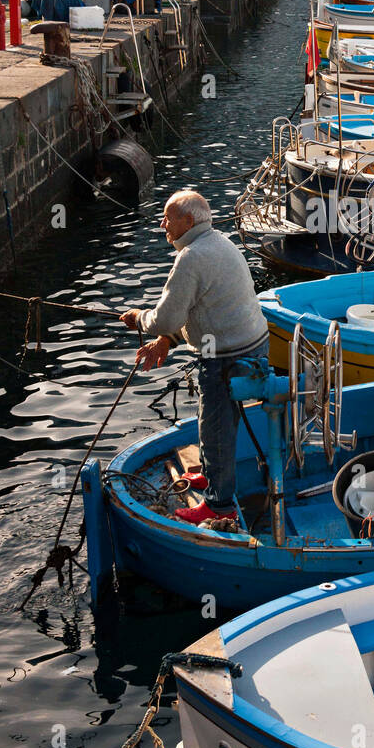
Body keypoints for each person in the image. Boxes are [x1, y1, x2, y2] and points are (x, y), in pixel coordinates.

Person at [120, 191, 269, 525]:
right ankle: (213, 473)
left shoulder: (191, 257)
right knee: (213, 418)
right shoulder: (220, 242)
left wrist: (138, 318)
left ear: (188, 221)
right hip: (253, 344)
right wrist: (166, 342)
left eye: (167, 218)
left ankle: (219, 505)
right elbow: (201, 309)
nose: (162, 225)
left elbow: (165, 319)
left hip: (227, 356)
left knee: (215, 425)